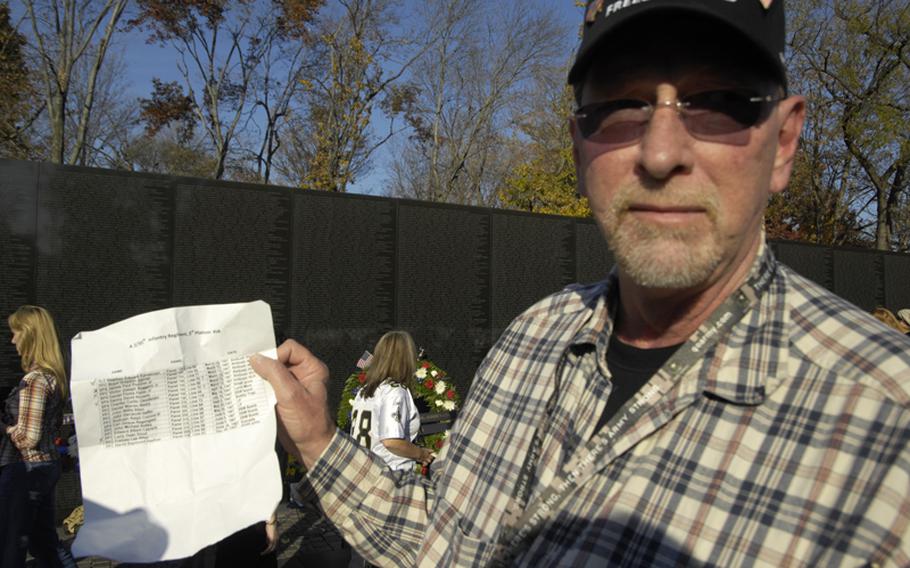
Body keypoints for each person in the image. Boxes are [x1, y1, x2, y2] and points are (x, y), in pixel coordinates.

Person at [250, 1, 910, 565]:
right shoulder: (533, 337)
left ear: (785, 142)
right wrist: (314, 435)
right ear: (578, 147)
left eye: (718, 104)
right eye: (622, 107)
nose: (660, 153)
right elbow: (443, 540)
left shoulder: (889, 428)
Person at [1, 306, 75, 567]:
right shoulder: (53, 377)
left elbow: (27, 437)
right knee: (44, 542)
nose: (12, 340)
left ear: (30, 335)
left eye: (16, 333)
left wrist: (5, 427)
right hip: (45, 466)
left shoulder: (35, 380)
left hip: (26, 469)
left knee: (10, 544)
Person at [350, 331, 434, 472]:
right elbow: (392, 442)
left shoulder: (365, 389)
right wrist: (421, 454)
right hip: (390, 475)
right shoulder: (394, 391)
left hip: (365, 470)